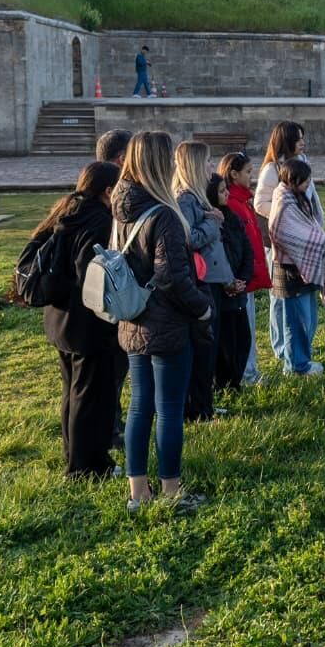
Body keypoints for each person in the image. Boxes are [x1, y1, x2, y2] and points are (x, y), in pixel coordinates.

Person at [113, 131, 213, 513]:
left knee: (140, 407)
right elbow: (173, 277)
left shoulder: (121, 208)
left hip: (132, 316)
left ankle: (137, 491)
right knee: (169, 408)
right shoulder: (164, 214)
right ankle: (171, 489)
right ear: (159, 163)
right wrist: (202, 308)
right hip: (166, 323)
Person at [34, 160, 123, 479]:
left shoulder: (67, 211)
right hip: (87, 322)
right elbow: (90, 271)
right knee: (91, 397)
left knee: (73, 393)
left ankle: (75, 455)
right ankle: (88, 467)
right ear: (108, 191)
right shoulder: (99, 219)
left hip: (61, 317)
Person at [173, 140, 232, 422]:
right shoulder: (186, 199)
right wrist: (212, 223)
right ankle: (198, 409)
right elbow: (188, 239)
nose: (212, 166)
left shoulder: (197, 198)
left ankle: (203, 403)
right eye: (208, 161)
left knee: (209, 345)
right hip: (200, 278)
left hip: (210, 276)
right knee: (202, 347)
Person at [255, 121, 317, 369]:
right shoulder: (272, 169)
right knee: (281, 296)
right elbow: (260, 203)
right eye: (298, 138)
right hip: (281, 241)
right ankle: (282, 346)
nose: (303, 142)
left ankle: (299, 344)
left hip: (303, 239)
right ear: (287, 141)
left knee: (301, 293)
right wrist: (288, 216)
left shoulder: (302, 162)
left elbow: (310, 198)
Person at [268, 159, 325, 376]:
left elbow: (309, 226)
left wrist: (319, 242)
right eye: (305, 180)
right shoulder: (284, 200)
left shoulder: (297, 197)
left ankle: (301, 359)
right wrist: (319, 243)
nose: (309, 184)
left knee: (306, 318)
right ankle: (296, 366)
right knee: (296, 321)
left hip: (302, 266)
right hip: (290, 269)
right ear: (292, 180)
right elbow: (281, 232)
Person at [218, 151, 270, 387]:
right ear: (234, 174)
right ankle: (246, 373)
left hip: (248, 272)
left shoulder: (242, 201)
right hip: (240, 276)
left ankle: (249, 370)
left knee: (248, 325)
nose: (252, 176)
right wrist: (242, 274)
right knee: (243, 328)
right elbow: (237, 245)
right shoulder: (232, 204)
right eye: (248, 172)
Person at [207, 172, 253, 393]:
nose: (227, 194)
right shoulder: (210, 221)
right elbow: (214, 256)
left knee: (242, 338)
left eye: (226, 189)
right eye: (221, 191)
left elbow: (246, 248)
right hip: (221, 290)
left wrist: (243, 278)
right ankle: (222, 384)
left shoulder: (231, 217)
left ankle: (235, 381)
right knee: (224, 343)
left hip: (238, 287)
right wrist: (227, 282)